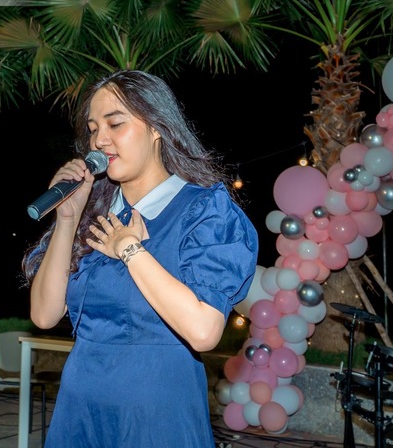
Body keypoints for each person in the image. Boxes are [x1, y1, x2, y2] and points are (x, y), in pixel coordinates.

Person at [21, 69, 259, 447]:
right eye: (93, 129)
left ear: (157, 127)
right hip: (80, 413)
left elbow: (203, 331)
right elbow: (45, 315)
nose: (99, 140)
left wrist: (131, 250)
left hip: (157, 416)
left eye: (115, 124)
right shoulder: (93, 214)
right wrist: (67, 219)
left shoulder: (204, 211)